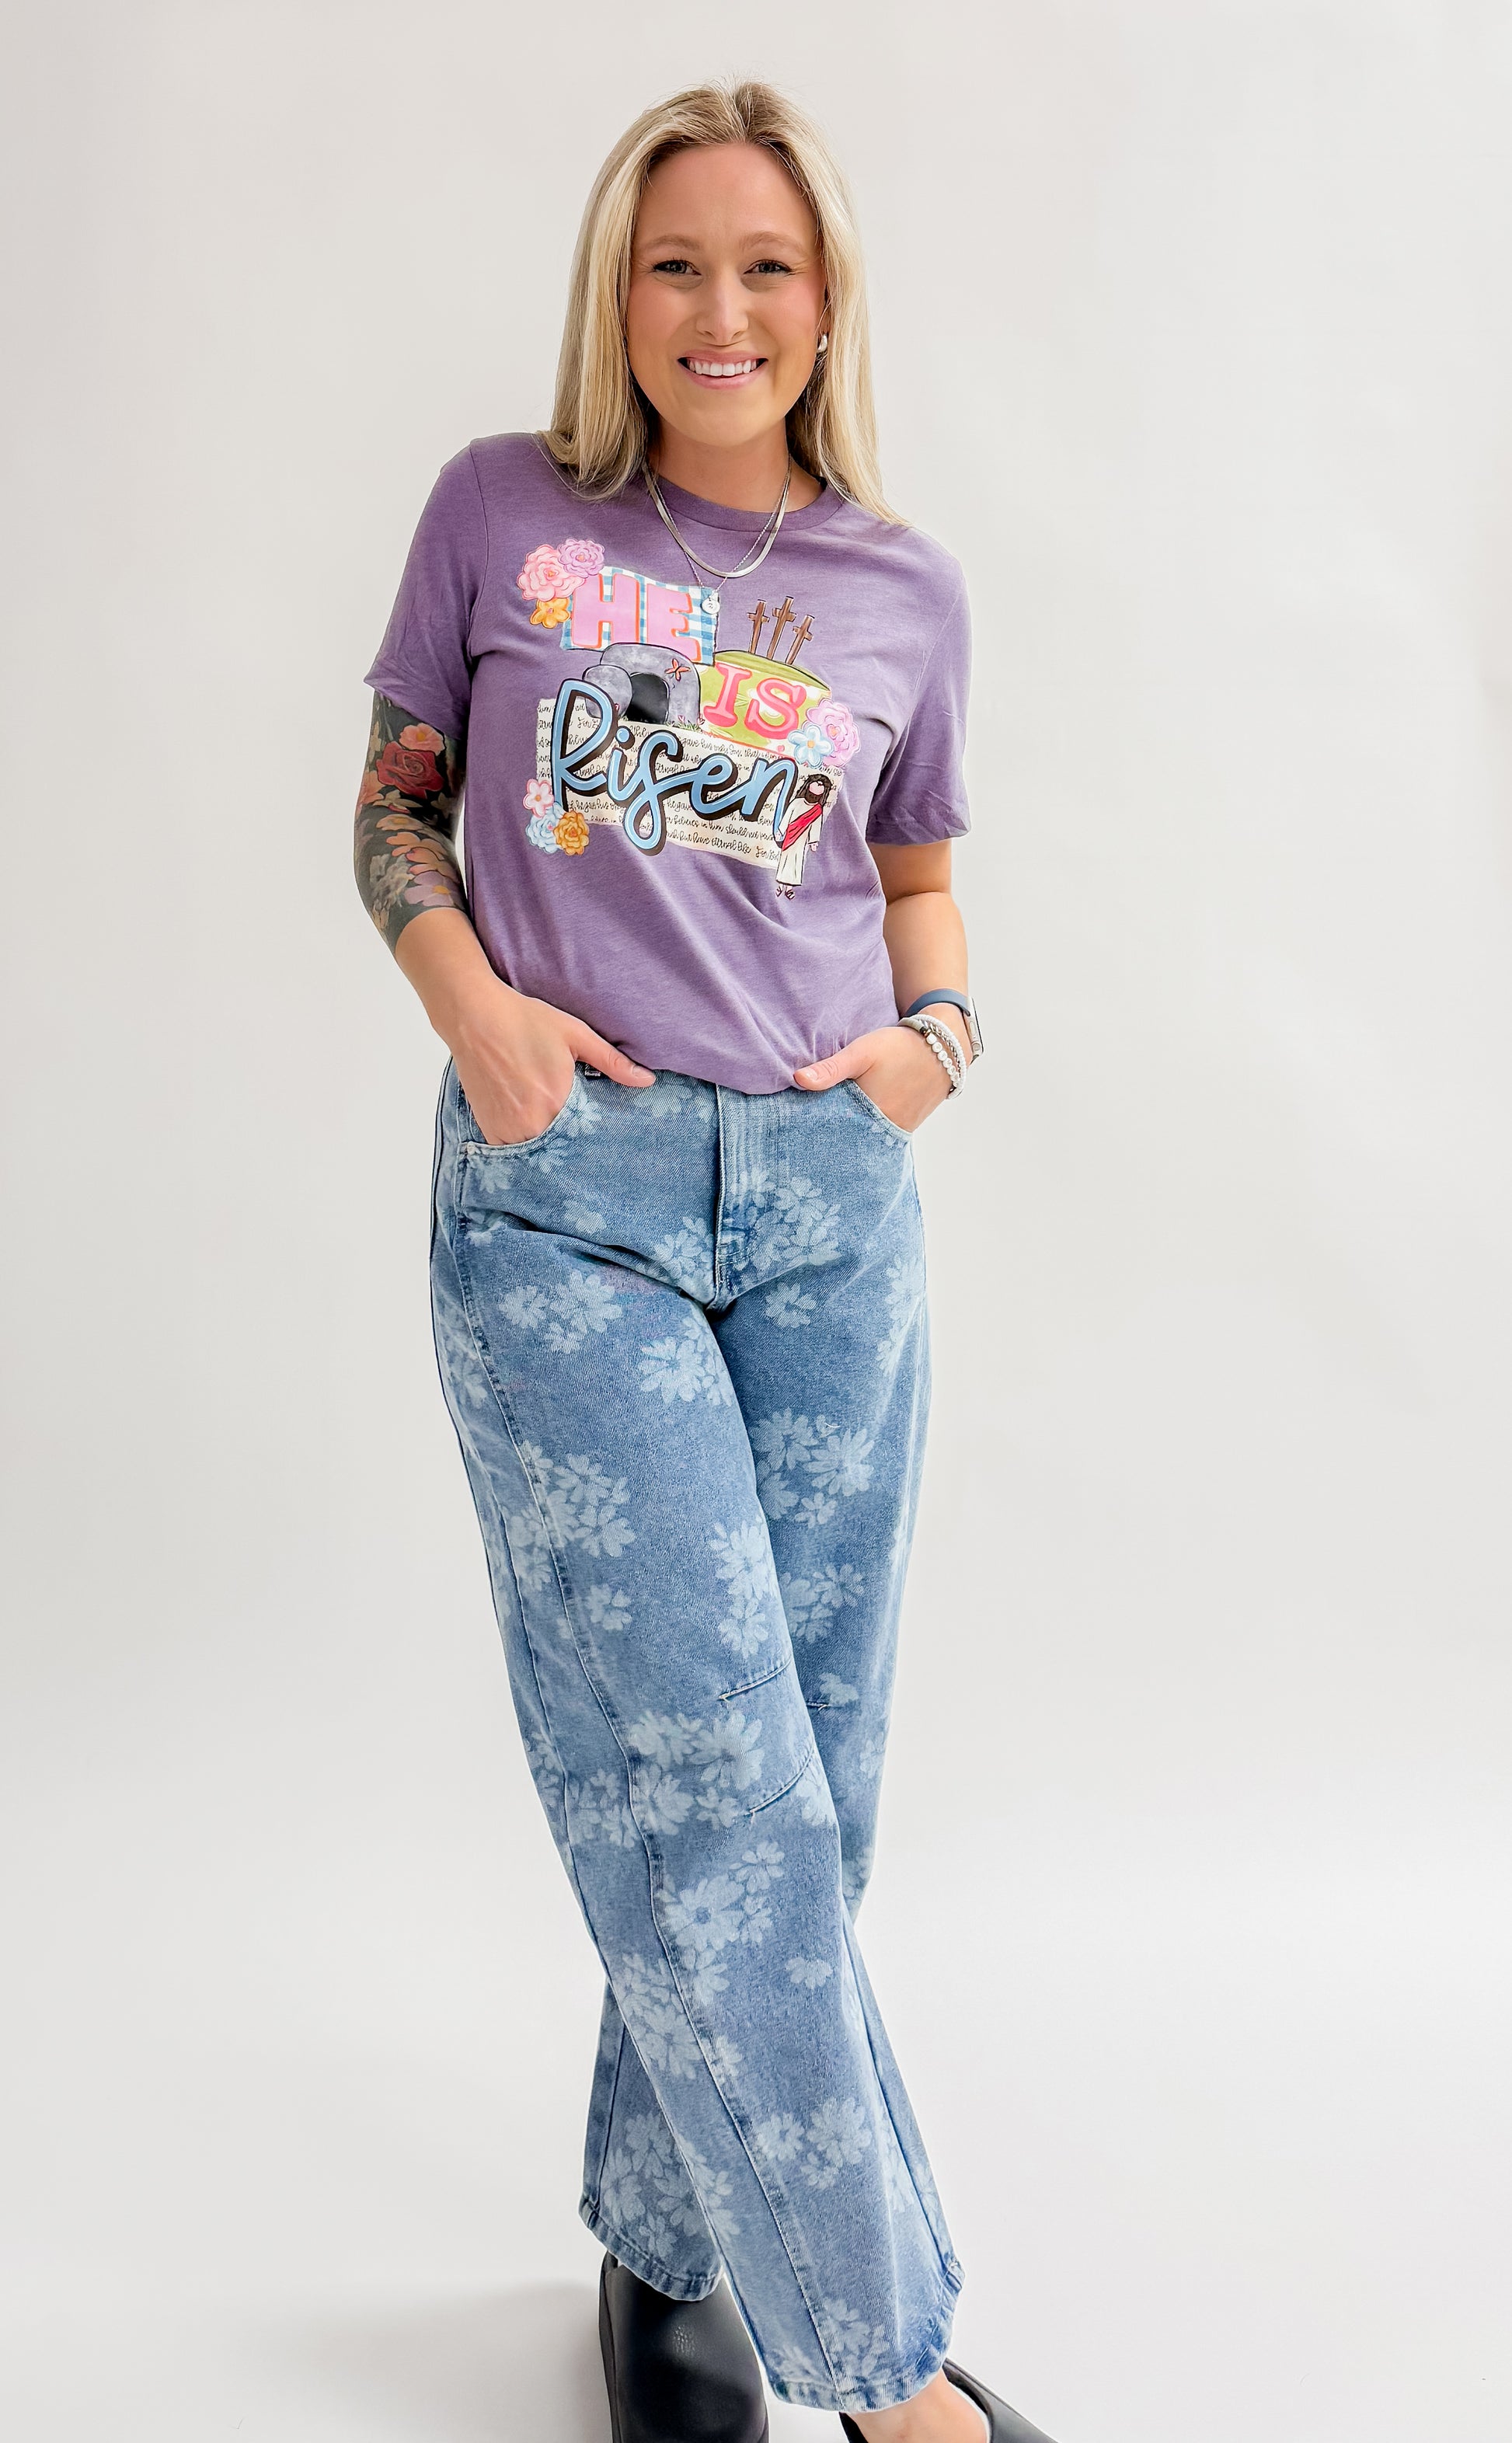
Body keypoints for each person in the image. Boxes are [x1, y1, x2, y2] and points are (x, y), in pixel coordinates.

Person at [355, 77, 1056, 2443]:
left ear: (826, 300)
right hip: (573, 1200)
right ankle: (886, 2370)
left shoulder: (901, 589)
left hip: (834, 1212)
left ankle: (663, 2257)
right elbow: (394, 807)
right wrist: (475, 1012)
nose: (719, 309)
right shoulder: (504, 511)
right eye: (676, 264)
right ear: (617, 291)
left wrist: (938, 1041)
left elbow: (918, 873)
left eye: (766, 265)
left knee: (806, 1789)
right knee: (713, 1786)